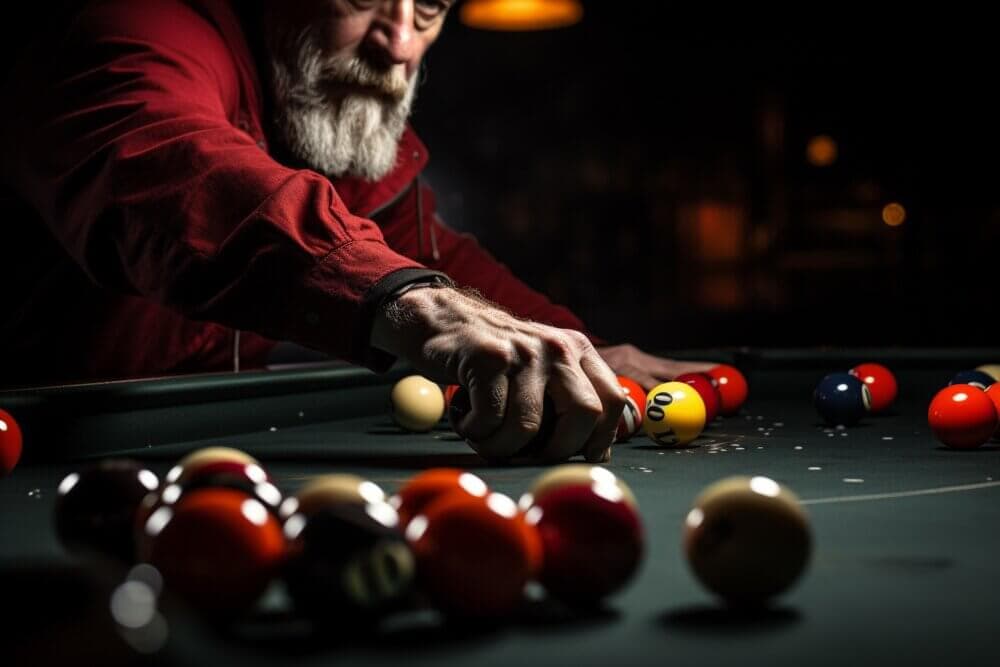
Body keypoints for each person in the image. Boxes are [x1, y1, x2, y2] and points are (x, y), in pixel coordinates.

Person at [0, 0, 710, 462]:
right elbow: (163, 172)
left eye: (428, 8)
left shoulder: (318, 117)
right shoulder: (136, 28)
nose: (399, 44)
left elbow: (435, 261)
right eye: (361, 0)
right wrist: (422, 306)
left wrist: (569, 345)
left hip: (172, 480)